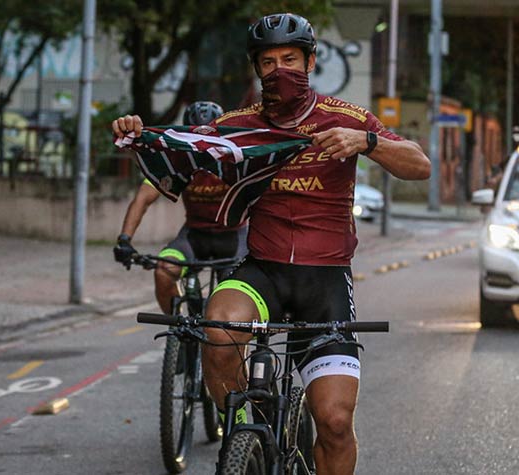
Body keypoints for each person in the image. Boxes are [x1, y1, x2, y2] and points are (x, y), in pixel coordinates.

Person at [112, 13, 430, 474]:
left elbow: (418, 166)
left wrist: (365, 141)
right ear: (256, 69)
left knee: (336, 422)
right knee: (216, 328)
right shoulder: (237, 125)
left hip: (325, 285)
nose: (279, 69)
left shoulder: (348, 118)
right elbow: (181, 152)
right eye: (268, 62)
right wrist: (138, 136)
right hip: (263, 271)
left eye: (290, 59)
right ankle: (247, 430)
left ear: (311, 61)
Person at [113, 101, 247, 314]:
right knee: (163, 271)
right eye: (193, 137)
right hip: (194, 237)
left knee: (232, 295)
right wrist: (124, 240)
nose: (202, 145)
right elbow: (142, 199)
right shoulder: (177, 165)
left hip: (234, 237)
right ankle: (179, 333)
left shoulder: (236, 163)